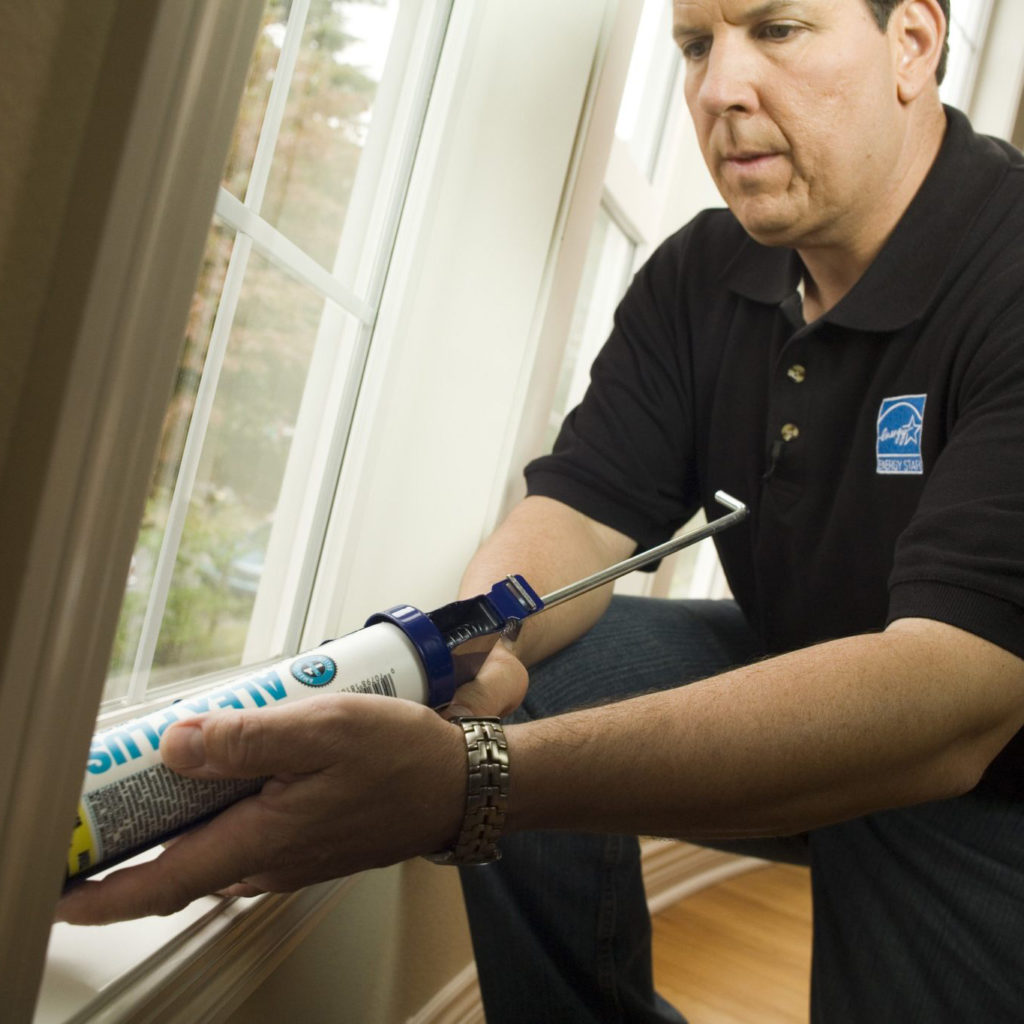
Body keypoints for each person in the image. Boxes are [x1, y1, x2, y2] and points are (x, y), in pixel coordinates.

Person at [59, 0, 1024, 1019]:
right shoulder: (703, 272)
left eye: (776, 29)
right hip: (829, 664)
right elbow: (576, 512)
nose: (716, 89)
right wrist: (482, 644)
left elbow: (948, 696)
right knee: (536, 668)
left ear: (911, 43)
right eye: (696, 46)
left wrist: (475, 777)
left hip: (985, 767)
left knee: (898, 776)